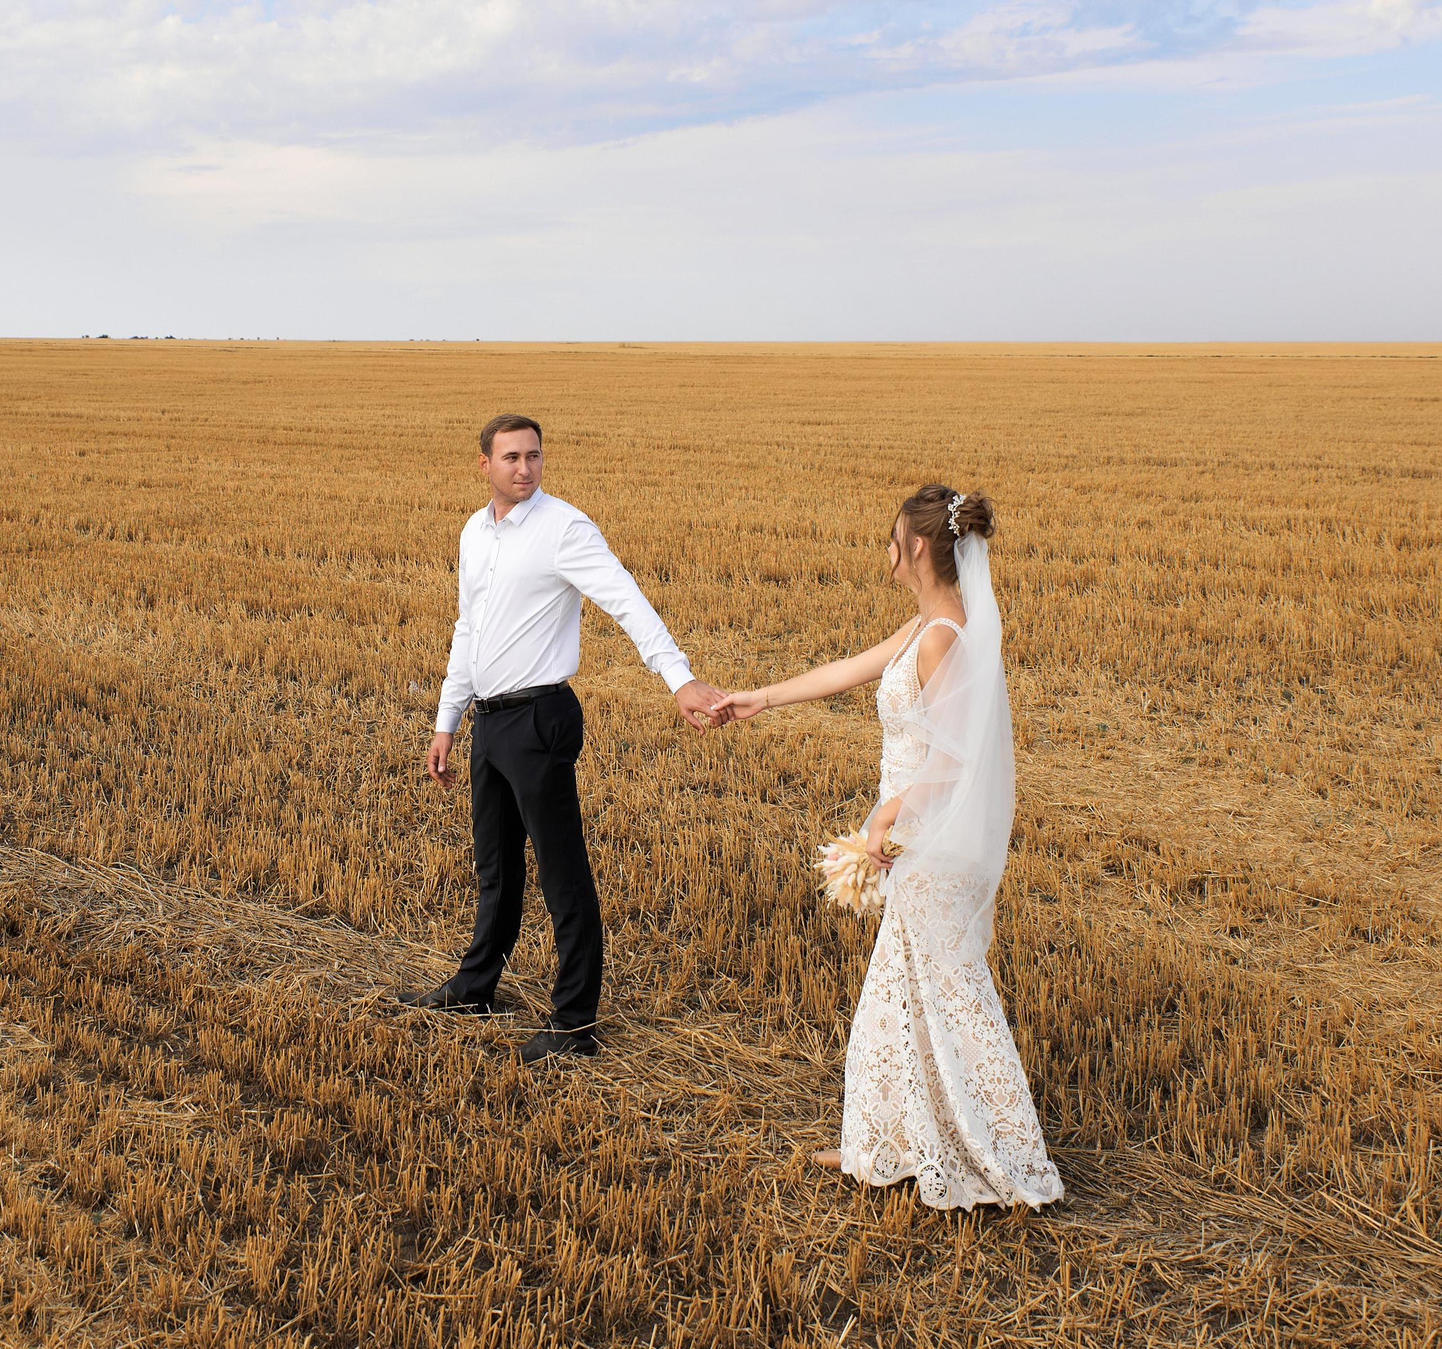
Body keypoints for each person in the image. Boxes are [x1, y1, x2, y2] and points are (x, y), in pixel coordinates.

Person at [712, 483, 1063, 1209]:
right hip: (917, 838)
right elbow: (849, 670)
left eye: (894, 538)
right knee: (909, 995)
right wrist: (759, 698)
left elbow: (956, 761)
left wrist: (887, 815)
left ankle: (1002, 1153)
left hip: (931, 842)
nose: (888, 551)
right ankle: (896, 1141)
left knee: (950, 995)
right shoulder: (923, 626)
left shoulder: (945, 638)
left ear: (918, 548)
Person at [409, 413, 728, 1063]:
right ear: (484, 465)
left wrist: (679, 678)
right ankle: (475, 987)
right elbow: (468, 629)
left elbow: (626, 600)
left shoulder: (564, 527)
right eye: (511, 458)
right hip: (491, 722)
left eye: (534, 456)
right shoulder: (476, 532)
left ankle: (574, 1022)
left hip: (541, 717)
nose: (525, 468)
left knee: (563, 876)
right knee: (495, 866)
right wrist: (448, 720)